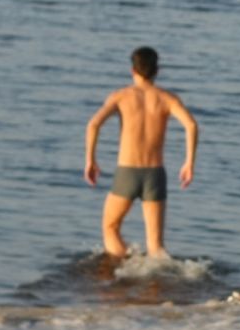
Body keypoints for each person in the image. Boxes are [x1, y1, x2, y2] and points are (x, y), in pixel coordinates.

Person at [83, 47, 199, 258]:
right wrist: (189, 163)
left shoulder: (121, 96)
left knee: (110, 227)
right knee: (156, 245)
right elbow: (191, 125)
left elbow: (93, 124)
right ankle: (155, 281)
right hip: (155, 173)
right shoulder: (168, 99)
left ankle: (126, 266)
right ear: (157, 70)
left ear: (132, 70)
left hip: (127, 172)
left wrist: (91, 160)